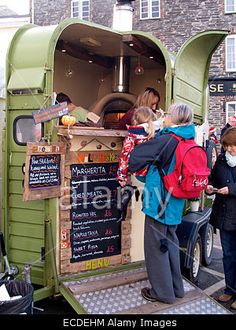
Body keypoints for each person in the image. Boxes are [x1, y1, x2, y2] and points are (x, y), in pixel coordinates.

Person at [129, 103, 195, 304]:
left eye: (167, 115)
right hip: (175, 202)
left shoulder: (166, 139)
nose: (164, 117)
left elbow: (135, 159)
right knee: (170, 244)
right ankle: (176, 288)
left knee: (155, 247)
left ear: (174, 119)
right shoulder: (188, 137)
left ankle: (162, 293)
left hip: (159, 201)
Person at [205, 127, 236, 310]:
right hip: (225, 216)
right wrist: (209, 186)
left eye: (232, 146)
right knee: (228, 255)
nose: (229, 149)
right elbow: (215, 178)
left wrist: (231, 189)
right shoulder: (223, 160)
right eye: (226, 146)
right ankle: (230, 289)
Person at [117, 106, 163, 187]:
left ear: (135, 121)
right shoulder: (159, 134)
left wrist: (122, 177)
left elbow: (125, 156)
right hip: (156, 172)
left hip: (139, 174)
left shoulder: (132, 136)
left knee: (139, 196)